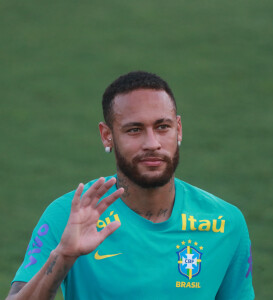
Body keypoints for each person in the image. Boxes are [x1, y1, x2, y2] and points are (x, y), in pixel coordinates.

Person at [6, 71, 254, 300]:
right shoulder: (70, 216)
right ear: (107, 136)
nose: (152, 143)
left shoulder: (226, 223)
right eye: (135, 130)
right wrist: (64, 256)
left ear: (178, 130)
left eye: (162, 127)